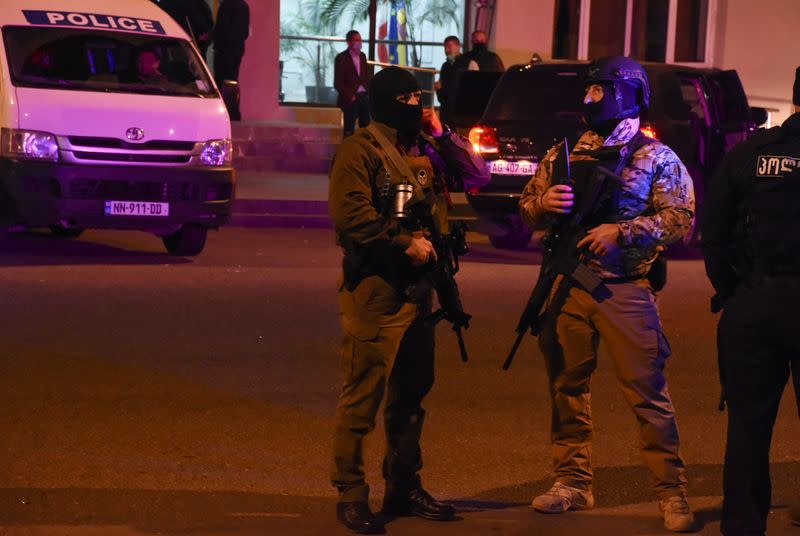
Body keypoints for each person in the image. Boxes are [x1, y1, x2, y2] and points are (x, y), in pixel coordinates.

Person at [518, 56, 696, 533]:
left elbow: (680, 219)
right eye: (588, 91)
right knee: (566, 389)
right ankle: (572, 482)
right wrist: (542, 203)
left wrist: (624, 231)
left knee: (647, 394)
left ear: (627, 95)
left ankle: (671, 492)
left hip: (625, 290)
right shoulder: (567, 152)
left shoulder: (656, 156)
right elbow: (529, 205)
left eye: (599, 91)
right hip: (569, 285)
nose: (589, 99)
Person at [328, 66, 489, 534]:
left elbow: (477, 173)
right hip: (378, 290)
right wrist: (404, 243)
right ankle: (352, 494)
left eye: (422, 102)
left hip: (421, 292)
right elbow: (351, 215)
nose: (419, 109)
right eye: (411, 102)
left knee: (411, 397)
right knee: (363, 397)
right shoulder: (360, 151)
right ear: (388, 104)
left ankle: (404, 486)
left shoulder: (425, 146)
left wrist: (442, 132)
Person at [701, 65, 800, 536]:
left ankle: (743, 525)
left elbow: (714, 233)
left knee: (747, 427)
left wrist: (734, 291)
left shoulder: (751, 154)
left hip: (754, 304)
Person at [212, 0, 250, 120]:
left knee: (221, 80)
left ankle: (223, 111)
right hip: (237, 49)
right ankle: (233, 111)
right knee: (233, 80)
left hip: (224, 50)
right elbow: (245, 32)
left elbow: (221, 29)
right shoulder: (244, 6)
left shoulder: (226, 6)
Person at [334, 31, 371, 138]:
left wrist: (368, 93)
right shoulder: (341, 58)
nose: (359, 43)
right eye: (356, 40)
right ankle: (347, 152)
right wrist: (350, 96)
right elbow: (338, 83)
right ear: (349, 42)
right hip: (350, 98)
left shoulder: (363, 56)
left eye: (360, 40)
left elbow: (366, 77)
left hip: (364, 97)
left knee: (366, 129)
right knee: (349, 130)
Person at [434, 35, 464, 126]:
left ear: (458, 46)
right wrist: (438, 89)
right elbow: (441, 89)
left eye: (449, 46)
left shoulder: (467, 63)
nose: (446, 50)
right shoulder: (445, 66)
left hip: (461, 111)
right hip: (446, 111)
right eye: (445, 47)